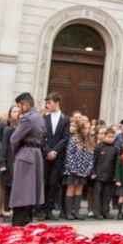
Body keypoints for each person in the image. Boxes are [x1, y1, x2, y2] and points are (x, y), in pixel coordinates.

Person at [9, 93, 45, 226]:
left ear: (25, 104)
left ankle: (18, 223)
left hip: (25, 153)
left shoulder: (27, 118)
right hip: (36, 153)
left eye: (20, 106)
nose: (20, 109)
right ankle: (26, 220)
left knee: (21, 191)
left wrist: (16, 152)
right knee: (31, 190)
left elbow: (14, 139)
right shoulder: (39, 117)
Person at [40, 92, 70, 221]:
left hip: (57, 156)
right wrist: (47, 151)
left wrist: (55, 151)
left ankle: (50, 209)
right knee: (44, 182)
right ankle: (41, 209)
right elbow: (41, 136)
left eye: (50, 103)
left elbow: (65, 138)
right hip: (45, 155)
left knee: (53, 183)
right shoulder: (44, 118)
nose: (47, 105)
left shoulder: (65, 119)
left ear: (56, 103)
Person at [62, 118, 95, 220]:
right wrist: (74, 168)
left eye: (88, 128)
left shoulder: (90, 140)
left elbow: (91, 157)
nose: (87, 130)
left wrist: (87, 170)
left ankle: (76, 212)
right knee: (71, 189)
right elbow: (69, 155)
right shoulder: (74, 139)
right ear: (80, 129)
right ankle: (68, 213)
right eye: (85, 128)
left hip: (84, 170)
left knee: (79, 189)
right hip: (73, 170)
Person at [0, 105, 21, 221]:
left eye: (18, 111)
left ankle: (16, 211)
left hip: (21, 161)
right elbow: (4, 148)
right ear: (10, 113)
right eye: (14, 111)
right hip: (9, 161)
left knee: (17, 188)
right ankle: (7, 211)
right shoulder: (7, 129)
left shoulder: (23, 128)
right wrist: (2, 163)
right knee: (8, 187)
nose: (16, 113)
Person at [92, 128, 117, 219]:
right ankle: (97, 212)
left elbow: (116, 163)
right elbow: (93, 160)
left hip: (110, 176)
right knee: (98, 195)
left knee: (107, 195)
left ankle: (105, 211)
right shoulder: (99, 147)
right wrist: (93, 172)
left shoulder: (115, 148)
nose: (110, 139)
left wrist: (115, 175)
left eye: (112, 137)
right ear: (104, 136)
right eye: (108, 137)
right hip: (99, 175)